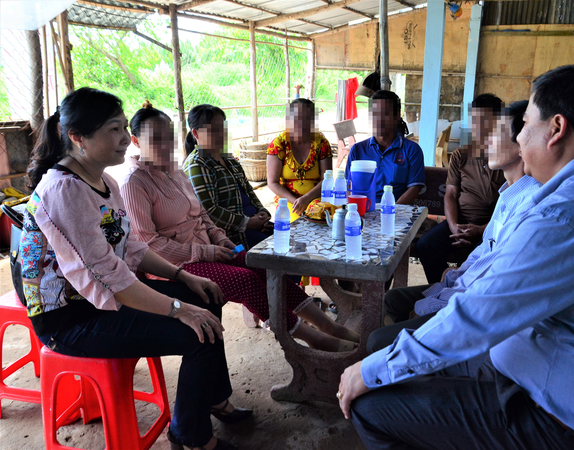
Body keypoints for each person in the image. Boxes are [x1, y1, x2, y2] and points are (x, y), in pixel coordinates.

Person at [337, 65, 574, 450]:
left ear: (556, 129)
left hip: (555, 416)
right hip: (537, 366)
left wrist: (368, 372)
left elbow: (477, 316)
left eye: (525, 123)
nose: (517, 135)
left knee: (371, 404)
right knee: (395, 354)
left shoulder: (566, 216)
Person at [20, 87, 249, 450]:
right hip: (70, 318)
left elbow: (131, 246)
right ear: (78, 138)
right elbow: (108, 278)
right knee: (197, 332)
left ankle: (213, 398)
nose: (126, 138)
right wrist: (178, 309)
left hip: (98, 298)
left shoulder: (102, 180)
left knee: (203, 296)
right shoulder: (64, 189)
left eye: (124, 126)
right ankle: (191, 437)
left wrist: (183, 276)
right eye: (113, 129)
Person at [122, 102, 360, 352]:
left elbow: (203, 215)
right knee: (246, 280)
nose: (164, 144)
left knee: (266, 266)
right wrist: (209, 250)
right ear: (136, 141)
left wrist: (220, 239)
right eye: (155, 138)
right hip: (176, 266)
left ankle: (328, 326)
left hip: (208, 251)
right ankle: (311, 337)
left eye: (168, 136)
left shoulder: (175, 171)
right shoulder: (134, 182)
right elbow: (150, 245)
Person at [368, 100, 541, 352]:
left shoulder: (530, 204)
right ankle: (413, 342)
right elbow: (451, 198)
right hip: (460, 234)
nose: (487, 137)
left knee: (379, 338)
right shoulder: (507, 192)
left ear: (521, 145)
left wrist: (441, 299)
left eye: (496, 131)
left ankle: (418, 347)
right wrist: (455, 231)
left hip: (476, 295)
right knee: (397, 294)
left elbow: (492, 279)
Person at [416, 93, 506, 284]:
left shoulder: (507, 159)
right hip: (460, 221)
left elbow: (509, 209)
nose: (479, 128)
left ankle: (466, 293)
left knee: (493, 256)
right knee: (426, 245)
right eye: (475, 121)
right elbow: (450, 194)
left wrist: (481, 230)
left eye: (486, 121)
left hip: (493, 226)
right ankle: (442, 290)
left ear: (499, 123)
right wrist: (454, 226)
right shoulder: (461, 155)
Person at [183, 104, 272, 250]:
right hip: (234, 239)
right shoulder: (197, 165)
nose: (221, 134)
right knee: (283, 254)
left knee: (293, 243)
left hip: (256, 226)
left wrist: (262, 213)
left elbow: (249, 191)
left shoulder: (229, 160)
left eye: (222, 128)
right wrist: (248, 223)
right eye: (213, 130)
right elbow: (210, 211)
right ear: (196, 133)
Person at [345, 90, 425, 205]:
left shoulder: (412, 150)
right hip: (363, 210)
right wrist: (355, 208)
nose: (379, 120)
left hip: (397, 210)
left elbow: (415, 188)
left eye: (385, 114)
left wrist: (390, 211)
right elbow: (349, 185)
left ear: (397, 116)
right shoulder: (358, 150)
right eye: (375, 114)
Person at [266, 98, 333, 220]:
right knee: (294, 225)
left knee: (321, 217)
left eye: (307, 118)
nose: (302, 123)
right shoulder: (279, 144)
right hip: (287, 200)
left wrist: (306, 199)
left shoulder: (322, 143)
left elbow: (327, 179)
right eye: (297, 118)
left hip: (316, 198)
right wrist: (297, 202)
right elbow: (272, 182)